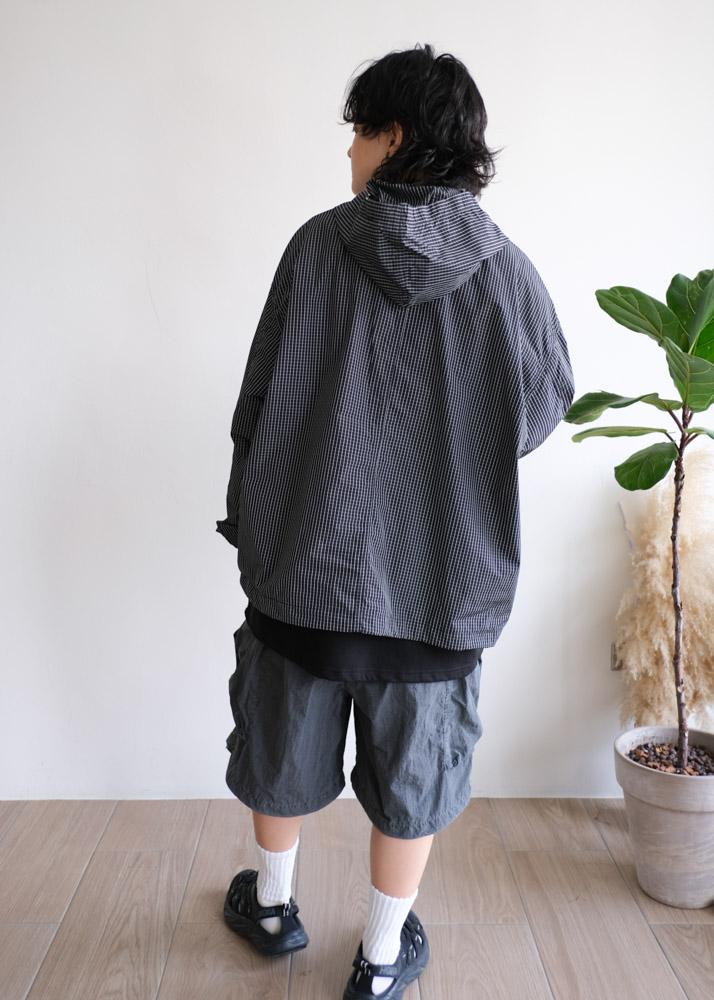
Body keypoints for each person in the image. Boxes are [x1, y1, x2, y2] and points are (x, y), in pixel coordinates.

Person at [215, 43, 574, 1000]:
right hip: (439, 589)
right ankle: (379, 958)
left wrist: (253, 521)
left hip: (307, 573)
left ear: (396, 137)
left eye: (359, 133)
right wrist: (454, 455)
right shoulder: (505, 271)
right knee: (414, 777)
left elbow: (257, 404)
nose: (348, 152)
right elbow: (547, 401)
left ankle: (274, 906)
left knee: (281, 750)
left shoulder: (315, 248)